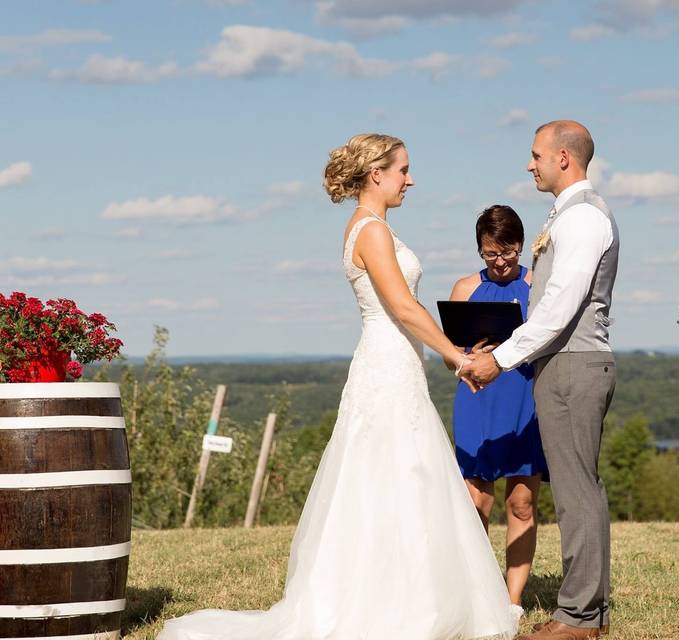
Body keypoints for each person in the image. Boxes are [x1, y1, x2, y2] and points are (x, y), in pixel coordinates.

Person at [157, 134, 520, 640]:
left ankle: (412, 594)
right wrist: (457, 356)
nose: (410, 180)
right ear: (377, 174)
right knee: (394, 475)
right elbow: (403, 307)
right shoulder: (370, 231)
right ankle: (392, 603)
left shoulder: (371, 228)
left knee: (402, 477)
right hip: (387, 363)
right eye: (403, 170)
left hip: (394, 362)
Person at [461, 120, 619, 640]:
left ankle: (578, 619)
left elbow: (556, 310)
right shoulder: (569, 216)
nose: (530, 164)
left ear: (564, 158)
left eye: (536, 156)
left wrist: (498, 359)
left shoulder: (582, 220)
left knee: (577, 492)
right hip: (561, 365)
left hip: (574, 364)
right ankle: (582, 613)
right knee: (576, 492)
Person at [450, 204, 550, 606]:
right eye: (491, 254)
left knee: (521, 501)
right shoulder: (465, 288)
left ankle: (511, 601)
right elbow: (448, 354)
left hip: (525, 399)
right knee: (476, 502)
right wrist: (466, 358)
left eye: (508, 251)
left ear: (521, 246)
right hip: (477, 400)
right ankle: (475, 591)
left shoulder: (540, 284)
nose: (501, 261)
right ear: (480, 250)